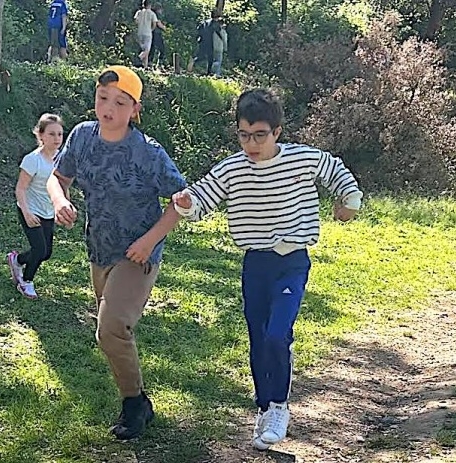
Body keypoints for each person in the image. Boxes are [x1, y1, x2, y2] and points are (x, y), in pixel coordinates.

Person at [172, 89, 363, 450]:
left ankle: (278, 406)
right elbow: (203, 197)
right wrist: (186, 203)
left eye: (260, 135)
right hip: (255, 263)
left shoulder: (302, 159)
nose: (252, 144)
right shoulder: (232, 169)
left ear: (277, 132)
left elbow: (335, 169)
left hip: (292, 262)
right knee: (258, 337)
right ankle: (262, 407)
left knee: (278, 334)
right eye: (244, 135)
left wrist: (349, 201)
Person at [47, 66, 187, 439]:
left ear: (135, 109)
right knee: (112, 333)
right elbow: (58, 177)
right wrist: (60, 200)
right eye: (103, 98)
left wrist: (150, 241)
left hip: (138, 255)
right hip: (100, 250)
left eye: (120, 103)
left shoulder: (148, 152)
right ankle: (139, 399)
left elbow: (181, 201)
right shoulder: (82, 136)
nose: (108, 108)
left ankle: (133, 405)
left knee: (110, 328)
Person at [7, 114, 64, 299]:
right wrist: (26, 212)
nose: (57, 138)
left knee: (46, 253)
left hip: (48, 212)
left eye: (60, 134)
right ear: (41, 135)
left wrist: (62, 207)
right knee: (39, 250)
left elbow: (63, 185)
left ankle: (17, 260)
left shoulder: (61, 158)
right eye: (51, 134)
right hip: (30, 210)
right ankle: (26, 282)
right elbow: (20, 189)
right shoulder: (33, 160)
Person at [187, 9, 221, 75]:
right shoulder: (215, 23)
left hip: (202, 41)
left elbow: (198, 29)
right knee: (210, 58)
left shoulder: (204, 22)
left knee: (201, 55)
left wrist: (199, 37)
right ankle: (208, 72)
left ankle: (194, 61)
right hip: (210, 42)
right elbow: (218, 31)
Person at [133, 0, 163, 68]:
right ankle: (139, 58)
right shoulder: (152, 13)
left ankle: (145, 67)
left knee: (143, 49)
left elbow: (136, 21)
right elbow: (154, 24)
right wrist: (151, 29)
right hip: (147, 33)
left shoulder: (139, 12)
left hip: (140, 32)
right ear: (149, 5)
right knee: (147, 50)